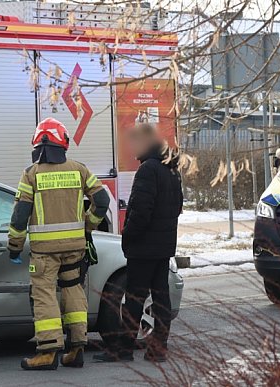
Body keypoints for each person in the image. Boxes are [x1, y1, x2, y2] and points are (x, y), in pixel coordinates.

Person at [8, 117, 110, 370]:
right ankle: (76, 348)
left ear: (38, 144)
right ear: (62, 143)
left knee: (44, 296)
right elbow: (102, 200)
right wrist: (89, 225)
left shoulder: (31, 174)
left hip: (44, 253)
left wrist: (15, 246)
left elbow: (20, 215)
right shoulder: (79, 169)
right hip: (74, 249)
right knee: (74, 291)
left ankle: (47, 352)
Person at [94, 123, 183, 363]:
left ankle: (124, 349)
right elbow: (178, 208)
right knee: (160, 297)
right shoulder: (171, 170)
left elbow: (141, 211)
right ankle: (158, 349)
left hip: (143, 248)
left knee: (134, 299)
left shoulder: (148, 170)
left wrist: (129, 235)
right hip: (163, 247)